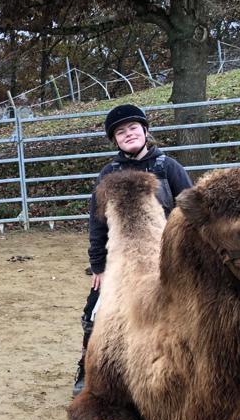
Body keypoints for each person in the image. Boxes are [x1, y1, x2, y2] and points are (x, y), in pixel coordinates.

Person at [73, 104, 192, 396]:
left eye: (133, 128)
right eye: (121, 132)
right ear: (115, 140)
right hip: (122, 261)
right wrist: (98, 265)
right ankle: (87, 366)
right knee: (93, 313)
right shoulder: (108, 174)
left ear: (145, 130)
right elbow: (97, 224)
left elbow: (190, 213)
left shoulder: (169, 168)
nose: (128, 134)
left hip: (166, 258)